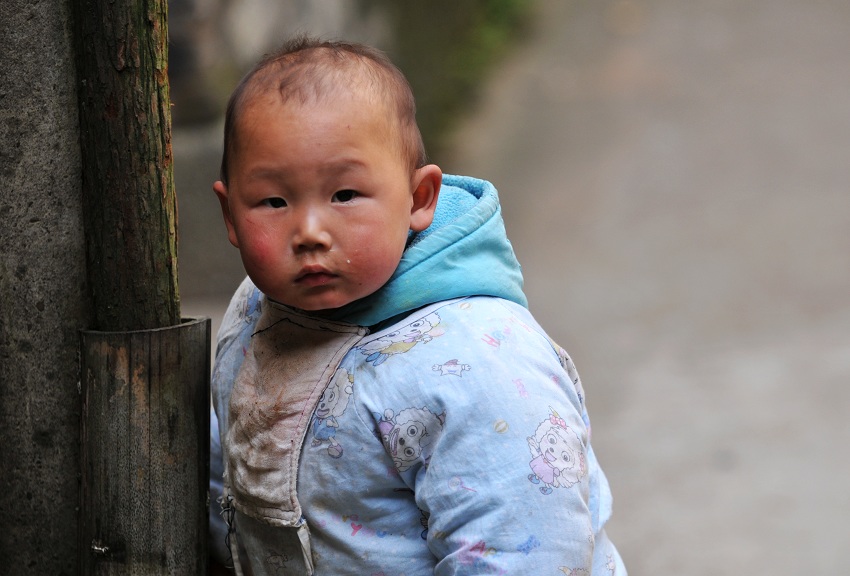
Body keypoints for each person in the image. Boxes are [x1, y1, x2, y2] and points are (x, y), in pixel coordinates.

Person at [209, 36, 626, 575]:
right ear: (229, 214)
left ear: (420, 199)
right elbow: (229, 470)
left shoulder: (475, 362)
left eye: (344, 195)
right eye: (273, 202)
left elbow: (523, 549)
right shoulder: (255, 310)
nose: (309, 232)